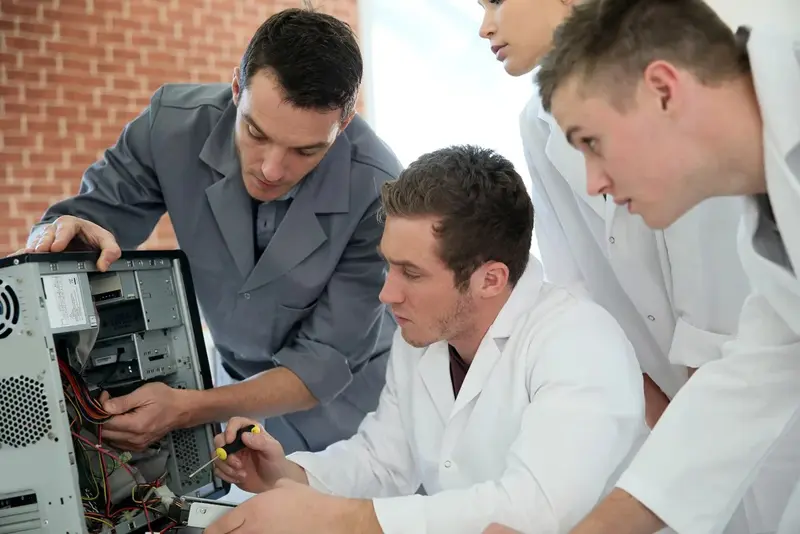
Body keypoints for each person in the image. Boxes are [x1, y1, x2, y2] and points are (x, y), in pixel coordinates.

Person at [201, 145, 648, 534]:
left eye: (411, 273)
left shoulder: (579, 343)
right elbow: (384, 460)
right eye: (389, 265)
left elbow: (535, 509)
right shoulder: (422, 336)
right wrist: (290, 473)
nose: (387, 293)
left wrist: (343, 522)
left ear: (490, 279)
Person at [19, 8, 403, 455]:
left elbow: (325, 362)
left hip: (352, 410)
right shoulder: (168, 129)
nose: (272, 169)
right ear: (236, 88)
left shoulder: (378, 187)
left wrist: (189, 409)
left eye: (306, 150)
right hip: (231, 388)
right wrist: (60, 236)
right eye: (256, 133)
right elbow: (86, 220)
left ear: (344, 124)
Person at [533, 0, 800, 533]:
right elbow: (740, 393)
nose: (593, 182)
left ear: (663, 88)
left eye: (592, 143)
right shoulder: (770, 234)